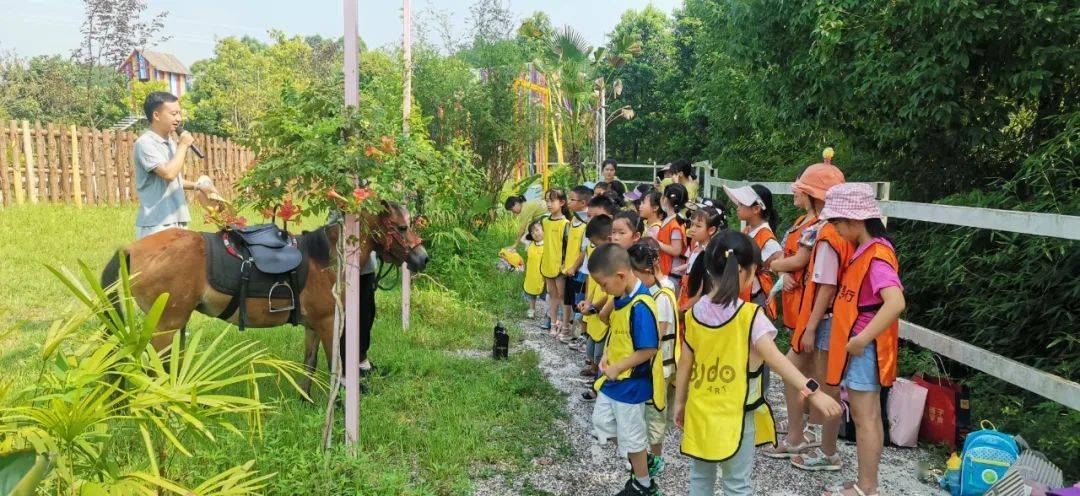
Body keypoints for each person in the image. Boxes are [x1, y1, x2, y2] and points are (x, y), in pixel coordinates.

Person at [672, 231, 842, 496]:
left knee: (700, 480)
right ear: (746, 273)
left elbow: (685, 363)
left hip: (700, 410)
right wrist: (815, 392)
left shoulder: (693, 313)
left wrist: (680, 402)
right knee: (737, 485)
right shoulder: (750, 317)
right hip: (738, 413)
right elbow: (778, 362)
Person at [819, 183, 905, 496]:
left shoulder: (877, 256)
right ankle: (866, 485)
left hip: (864, 345)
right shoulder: (867, 250)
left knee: (865, 417)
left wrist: (861, 339)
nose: (837, 230)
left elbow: (895, 302)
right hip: (860, 343)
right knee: (866, 415)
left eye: (838, 224)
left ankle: (866, 488)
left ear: (855, 222)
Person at [782, 158, 852, 473]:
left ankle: (827, 452)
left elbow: (826, 287)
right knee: (819, 382)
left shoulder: (827, 235)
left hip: (824, 321)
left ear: (816, 198)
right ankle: (806, 440)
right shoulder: (834, 230)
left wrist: (808, 328)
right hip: (826, 320)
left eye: (804, 190)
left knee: (827, 386)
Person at [588, 243, 664, 496]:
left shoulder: (641, 305)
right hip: (614, 379)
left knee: (631, 436)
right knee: (602, 422)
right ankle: (642, 458)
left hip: (632, 384)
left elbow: (648, 349)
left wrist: (618, 366)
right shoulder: (621, 295)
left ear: (621, 275)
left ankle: (643, 484)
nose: (602, 290)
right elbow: (614, 327)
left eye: (604, 285)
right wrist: (608, 355)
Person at [134, 91, 218, 239]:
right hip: (157, 224)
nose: (178, 118)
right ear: (156, 115)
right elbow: (168, 174)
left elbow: (175, 180)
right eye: (173, 114)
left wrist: (198, 186)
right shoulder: (145, 143)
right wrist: (183, 145)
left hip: (178, 219)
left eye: (179, 113)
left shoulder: (171, 144)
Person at [628, 239, 678, 477]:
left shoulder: (662, 297)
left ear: (646, 271)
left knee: (655, 415)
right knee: (648, 415)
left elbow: (654, 338)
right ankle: (646, 458)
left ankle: (656, 459)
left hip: (659, 367)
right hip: (651, 365)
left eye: (634, 273)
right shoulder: (655, 289)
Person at [723, 184, 781, 319]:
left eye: (741, 204)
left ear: (756, 209)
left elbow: (781, 264)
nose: (737, 208)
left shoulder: (766, 237)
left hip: (756, 298)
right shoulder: (749, 231)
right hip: (744, 294)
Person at [578, 214, 613, 401]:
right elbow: (592, 282)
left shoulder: (614, 260)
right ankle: (595, 377)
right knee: (591, 341)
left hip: (605, 311)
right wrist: (588, 301)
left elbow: (611, 291)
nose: (594, 246)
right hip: (594, 309)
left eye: (595, 243)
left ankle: (598, 386)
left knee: (603, 352)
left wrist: (596, 307)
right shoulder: (599, 256)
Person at [677, 202, 726, 312]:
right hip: (687, 298)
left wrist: (684, 308)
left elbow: (702, 289)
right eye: (692, 224)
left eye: (698, 226)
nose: (692, 229)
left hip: (698, 306)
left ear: (711, 230)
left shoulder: (710, 254)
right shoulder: (695, 247)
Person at [560, 185, 592, 344]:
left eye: (572, 200)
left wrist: (574, 266)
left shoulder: (587, 222)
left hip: (579, 271)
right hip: (569, 268)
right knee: (569, 299)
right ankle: (571, 331)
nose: (569, 202)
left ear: (583, 202)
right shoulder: (574, 218)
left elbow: (584, 249)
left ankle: (579, 335)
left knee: (579, 302)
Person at [540, 188, 572, 335]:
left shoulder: (565, 223)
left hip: (560, 267)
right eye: (547, 200)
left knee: (562, 297)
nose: (548, 204)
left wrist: (565, 264)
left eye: (552, 200)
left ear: (562, 202)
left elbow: (568, 246)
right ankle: (553, 324)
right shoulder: (544, 221)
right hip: (547, 264)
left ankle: (565, 326)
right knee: (552, 295)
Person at [655, 184, 688, 282]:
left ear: (665, 199)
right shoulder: (671, 219)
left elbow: (676, 250)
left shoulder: (675, 223)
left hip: (671, 272)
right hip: (665, 268)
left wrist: (656, 243)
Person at [523, 220, 546, 319]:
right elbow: (523, 238)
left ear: (543, 230)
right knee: (532, 293)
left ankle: (548, 312)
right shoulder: (529, 244)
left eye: (537, 230)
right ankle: (531, 309)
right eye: (532, 232)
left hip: (545, 274)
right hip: (532, 274)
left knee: (546, 294)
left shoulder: (548, 244)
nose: (535, 233)